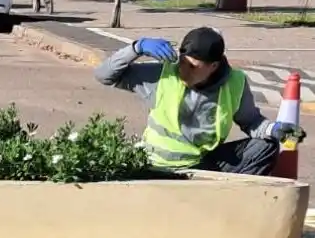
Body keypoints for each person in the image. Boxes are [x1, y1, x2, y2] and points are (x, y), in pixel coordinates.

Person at [94, 26, 304, 174]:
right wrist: (136, 48)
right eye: (183, 62)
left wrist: (275, 129)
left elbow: (252, 123)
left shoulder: (235, 83)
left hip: (201, 166)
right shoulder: (162, 75)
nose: (184, 71)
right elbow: (104, 75)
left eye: (193, 66)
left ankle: (230, 206)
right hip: (157, 166)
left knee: (265, 146)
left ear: (213, 66)